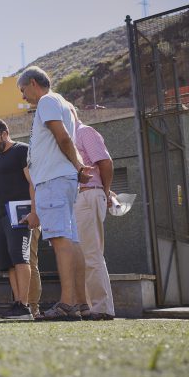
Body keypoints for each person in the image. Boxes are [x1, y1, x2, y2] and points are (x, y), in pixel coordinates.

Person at [17, 66, 92, 321]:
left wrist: (78, 166)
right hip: (61, 179)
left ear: (34, 83)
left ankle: (67, 305)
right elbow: (64, 140)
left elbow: (62, 138)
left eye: (23, 90)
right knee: (71, 241)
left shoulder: (48, 101)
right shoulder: (63, 103)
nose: (23, 96)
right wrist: (77, 168)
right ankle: (82, 304)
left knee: (60, 241)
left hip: (53, 181)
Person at [0, 119, 38, 320]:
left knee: (20, 256)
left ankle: (25, 306)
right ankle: (17, 303)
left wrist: (34, 210)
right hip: (3, 215)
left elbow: (33, 182)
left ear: (5, 133)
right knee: (8, 262)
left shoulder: (22, 151)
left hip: (21, 213)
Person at [71, 107, 116, 320]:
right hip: (79, 199)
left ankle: (101, 308)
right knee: (83, 256)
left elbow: (105, 162)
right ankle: (92, 307)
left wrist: (105, 193)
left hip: (88, 196)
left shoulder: (84, 132)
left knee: (91, 254)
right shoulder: (69, 139)